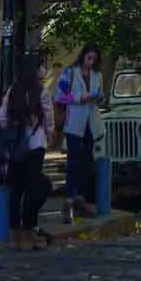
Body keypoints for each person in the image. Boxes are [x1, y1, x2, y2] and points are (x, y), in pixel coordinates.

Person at [0, 57, 54, 251]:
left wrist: (14, 129)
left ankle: (15, 237)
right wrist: (49, 137)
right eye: (41, 66)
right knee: (34, 187)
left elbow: (0, 118)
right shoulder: (42, 92)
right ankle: (29, 232)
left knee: (16, 191)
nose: (43, 70)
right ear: (35, 71)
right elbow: (48, 121)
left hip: (16, 148)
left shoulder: (13, 91)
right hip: (36, 145)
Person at [55, 44, 104, 224]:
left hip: (91, 122)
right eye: (89, 58)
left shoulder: (97, 75)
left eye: (94, 60)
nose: (91, 63)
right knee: (73, 162)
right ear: (83, 57)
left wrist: (99, 97)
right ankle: (68, 202)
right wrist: (78, 98)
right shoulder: (70, 73)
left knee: (87, 163)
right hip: (74, 122)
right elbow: (59, 97)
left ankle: (80, 201)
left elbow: (101, 96)